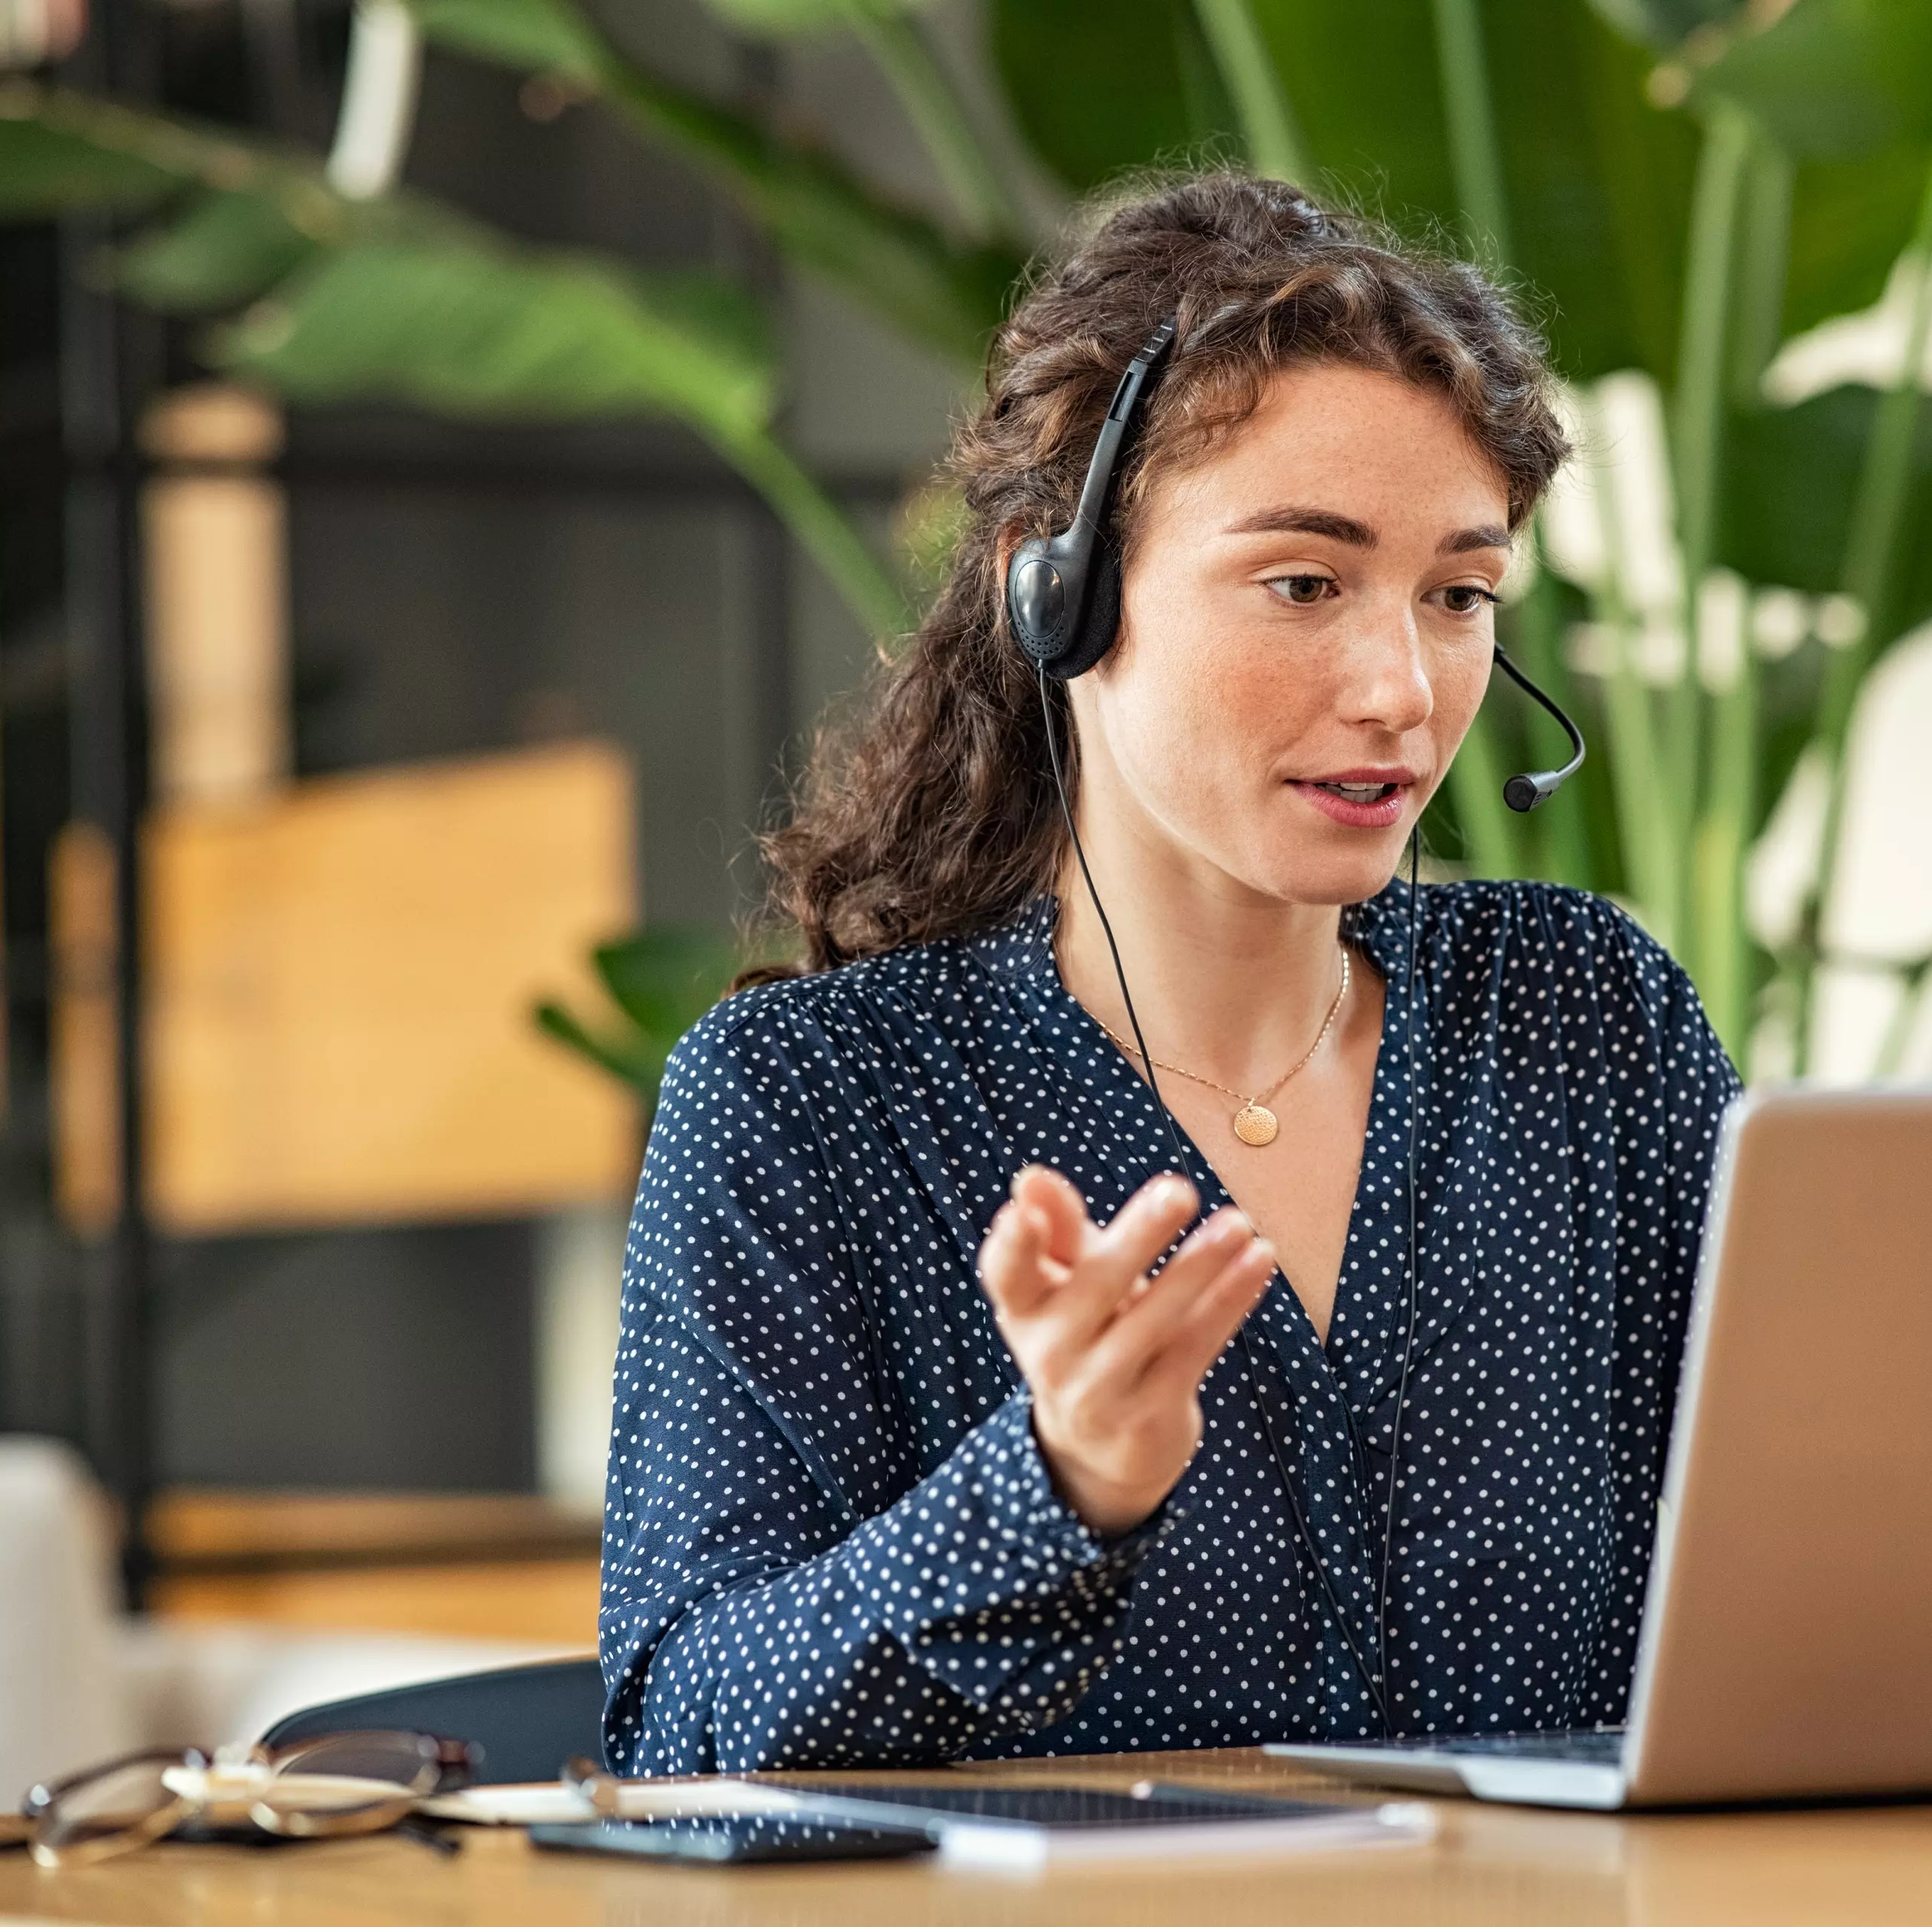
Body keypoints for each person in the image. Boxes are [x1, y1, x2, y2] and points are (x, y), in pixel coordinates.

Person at [600, 173, 1739, 1773]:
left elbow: (1809, 1564)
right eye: (1304, 582)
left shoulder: (1586, 1019)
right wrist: (1055, 1487)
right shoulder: (811, 1102)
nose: (1402, 688)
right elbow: (679, 1730)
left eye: (1460, 595)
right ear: (1056, 588)